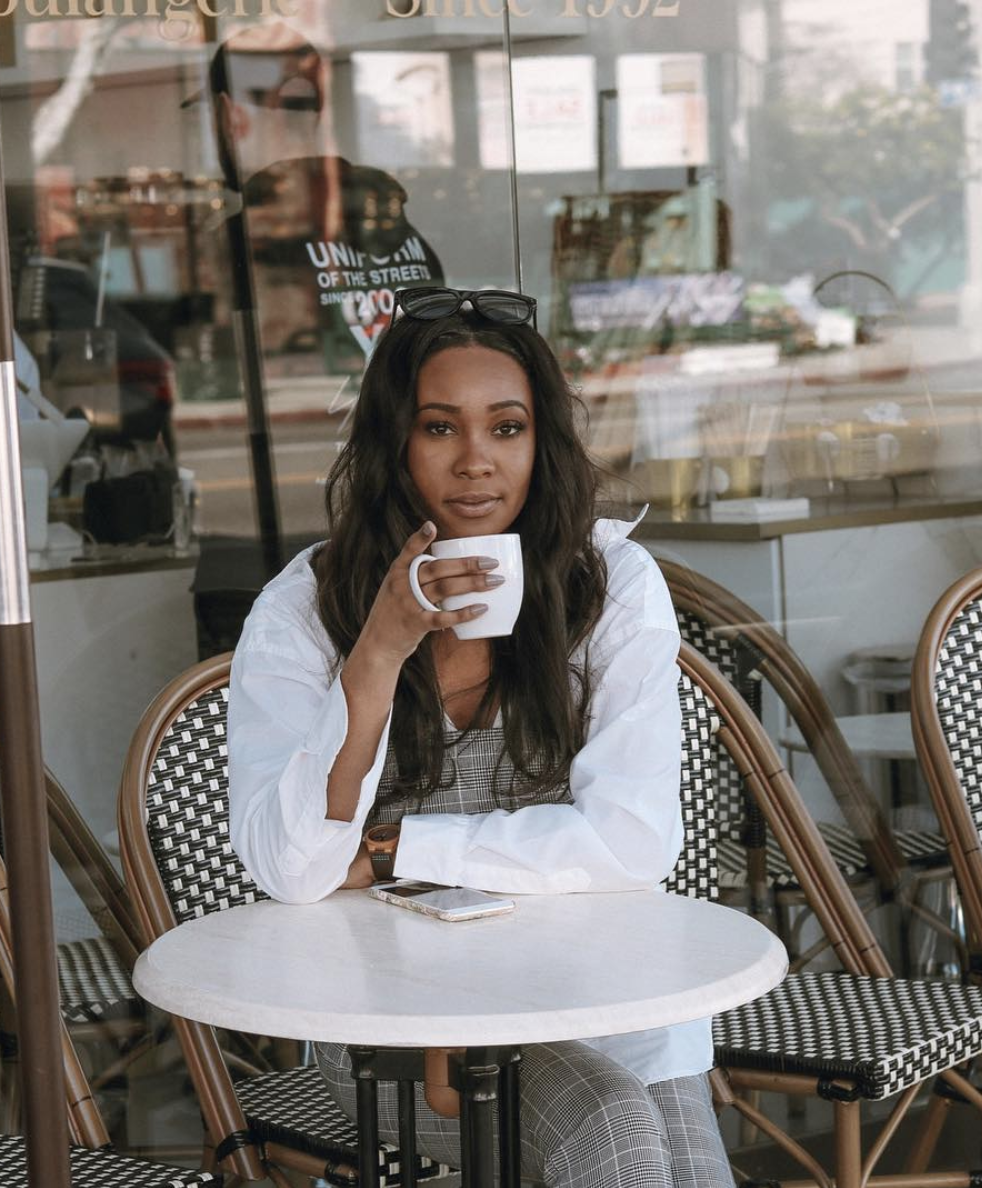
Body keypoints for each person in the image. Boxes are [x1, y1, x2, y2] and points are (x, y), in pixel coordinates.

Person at [227, 287, 733, 1188]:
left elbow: (633, 841)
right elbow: (295, 869)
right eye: (438, 428)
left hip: (604, 992)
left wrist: (394, 849)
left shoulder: (608, 584)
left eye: (506, 428)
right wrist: (378, 652)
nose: (475, 462)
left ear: (542, 444)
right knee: (615, 1129)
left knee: (674, 1163)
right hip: (400, 1024)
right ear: (393, 445)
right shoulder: (305, 609)